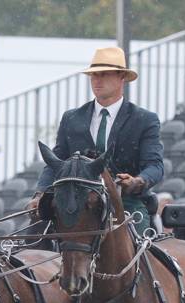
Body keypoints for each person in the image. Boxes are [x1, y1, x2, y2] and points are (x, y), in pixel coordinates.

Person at [31, 46, 163, 235]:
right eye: (94, 75)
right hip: (77, 206)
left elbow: (155, 165)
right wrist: (40, 193)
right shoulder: (71, 118)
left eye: (104, 74)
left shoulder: (144, 120)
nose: (97, 80)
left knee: (140, 248)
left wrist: (138, 181)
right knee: (36, 239)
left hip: (125, 203)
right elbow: (56, 162)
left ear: (121, 77)